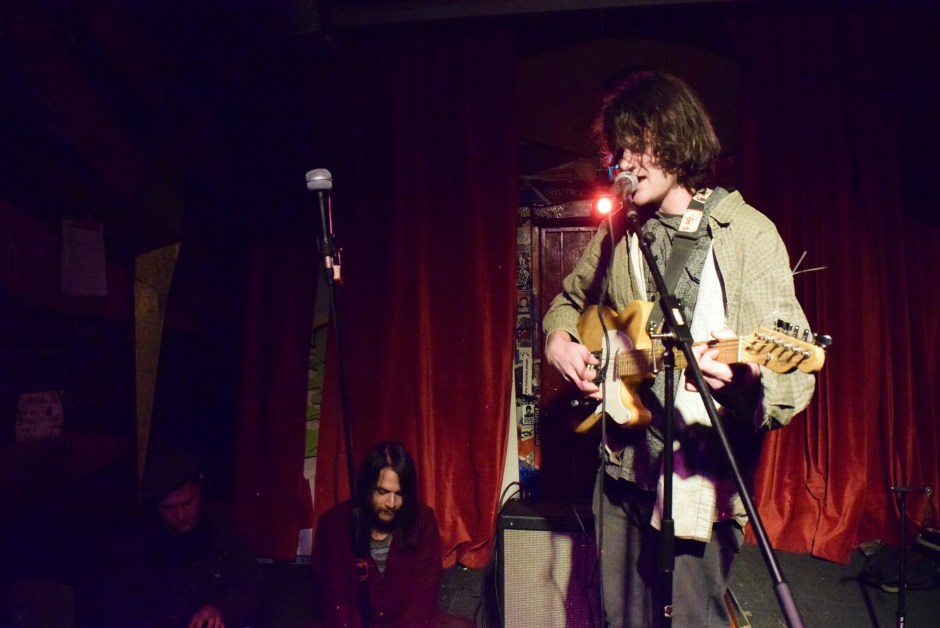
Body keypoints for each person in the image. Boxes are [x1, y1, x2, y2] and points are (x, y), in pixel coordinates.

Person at [542, 70, 817, 627]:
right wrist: (559, 342)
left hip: (701, 471)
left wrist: (749, 381)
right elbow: (568, 302)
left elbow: (795, 370)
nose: (622, 163)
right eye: (616, 151)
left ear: (673, 139)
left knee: (694, 619)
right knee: (620, 616)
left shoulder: (747, 234)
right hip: (622, 465)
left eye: (635, 146)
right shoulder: (619, 231)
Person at [311, 442, 470, 627]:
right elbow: (333, 597)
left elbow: (422, 597)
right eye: (383, 492)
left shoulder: (423, 520)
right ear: (367, 488)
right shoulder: (334, 522)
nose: (392, 503)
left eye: (399, 493)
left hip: (409, 622)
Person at [96, 449, 262, 627]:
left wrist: (221, 609)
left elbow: (253, 589)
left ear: (200, 491)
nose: (181, 515)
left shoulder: (223, 534)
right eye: (169, 508)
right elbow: (119, 605)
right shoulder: (136, 545)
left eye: (188, 503)